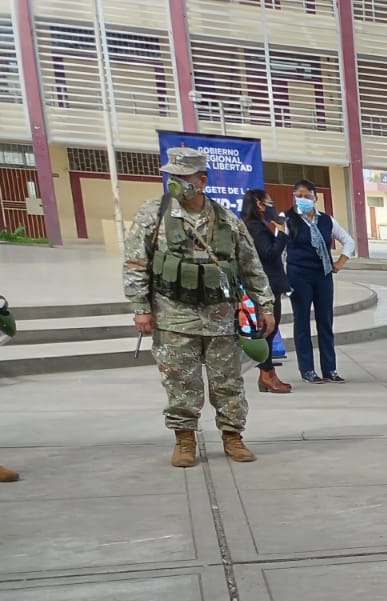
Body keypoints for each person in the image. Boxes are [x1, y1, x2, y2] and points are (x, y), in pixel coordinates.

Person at [123, 146, 276, 467]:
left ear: (202, 180)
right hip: (173, 317)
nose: (175, 183)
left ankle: (233, 436)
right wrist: (140, 307)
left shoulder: (227, 220)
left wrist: (265, 305)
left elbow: (250, 266)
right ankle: (184, 440)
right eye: (171, 176)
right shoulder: (154, 214)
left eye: (183, 177)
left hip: (220, 318)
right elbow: (136, 262)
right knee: (180, 382)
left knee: (228, 382)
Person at [284, 179, 355, 384]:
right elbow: (281, 248)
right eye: (298, 195)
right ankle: (307, 369)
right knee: (302, 321)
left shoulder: (326, 220)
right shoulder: (287, 218)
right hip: (298, 274)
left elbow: (348, 241)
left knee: (325, 321)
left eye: (307, 196)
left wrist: (340, 263)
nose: (302, 199)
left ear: (315, 198)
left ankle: (330, 369)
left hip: (322, 274)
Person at [240, 188, 291, 395]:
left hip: (267, 285)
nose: (272, 206)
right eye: (268, 202)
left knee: (269, 329)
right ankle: (266, 375)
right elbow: (269, 254)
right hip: (265, 286)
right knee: (268, 329)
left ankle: (268, 374)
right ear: (259, 204)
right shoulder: (255, 228)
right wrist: (282, 232)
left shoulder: (255, 225)